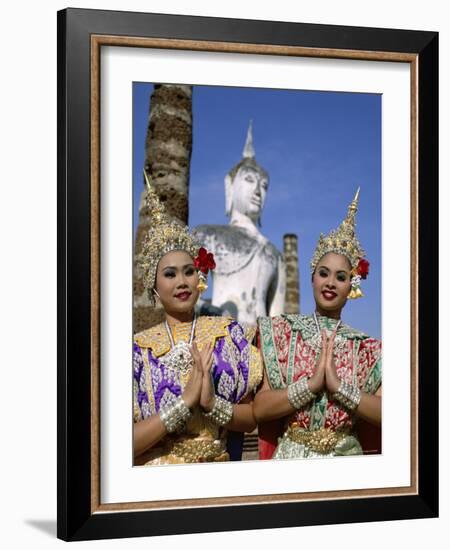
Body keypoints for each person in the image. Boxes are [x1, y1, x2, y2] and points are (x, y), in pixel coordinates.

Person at [133, 175, 262, 465]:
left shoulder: (230, 335)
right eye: (170, 274)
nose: (182, 281)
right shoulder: (137, 351)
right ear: (154, 288)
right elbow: (119, 444)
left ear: (200, 276)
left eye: (188, 271)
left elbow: (252, 417)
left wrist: (211, 404)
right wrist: (183, 404)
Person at [254, 189, 382, 460]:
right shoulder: (280, 333)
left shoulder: (368, 349)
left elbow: (390, 414)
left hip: (346, 459)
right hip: (292, 458)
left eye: (341, 277)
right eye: (323, 273)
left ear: (352, 286)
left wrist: (339, 388)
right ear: (312, 278)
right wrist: (310, 386)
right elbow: (260, 409)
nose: (330, 283)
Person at [193, 121, 286, 325]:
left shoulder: (273, 254)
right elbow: (186, 297)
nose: (258, 191)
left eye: (264, 186)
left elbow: (277, 320)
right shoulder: (207, 236)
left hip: (258, 345)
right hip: (214, 338)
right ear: (230, 185)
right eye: (249, 180)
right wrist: (209, 311)